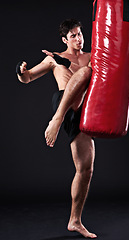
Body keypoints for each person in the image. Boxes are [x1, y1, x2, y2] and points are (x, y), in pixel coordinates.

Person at [16, 19, 97, 239]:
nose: (79, 39)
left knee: (86, 169)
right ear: (64, 39)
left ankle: (75, 221)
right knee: (84, 73)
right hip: (65, 105)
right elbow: (28, 78)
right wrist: (21, 71)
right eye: (73, 36)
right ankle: (56, 119)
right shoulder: (53, 58)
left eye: (80, 34)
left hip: (84, 109)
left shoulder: (91, 56)